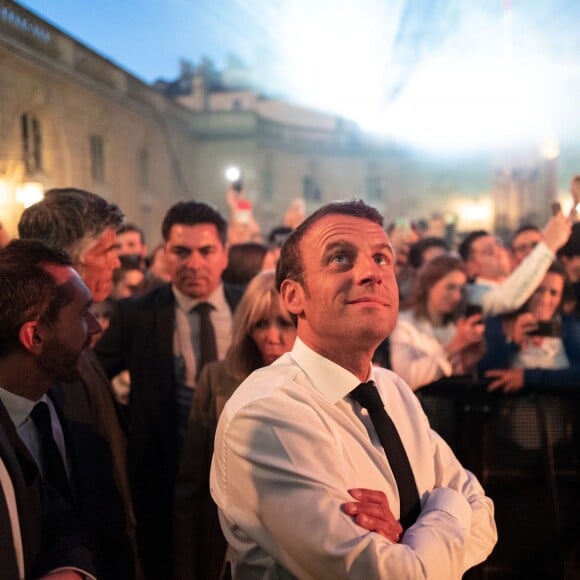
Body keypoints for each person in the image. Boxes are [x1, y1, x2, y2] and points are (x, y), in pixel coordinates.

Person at [210, 199, 497, 579]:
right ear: (293, 296)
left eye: (382, 259)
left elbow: (486, 518)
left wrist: (409, 533)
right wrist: (446, 508)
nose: (371, 273)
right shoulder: (266, 414)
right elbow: (391, 575)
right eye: (340, 259)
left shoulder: (392, 390)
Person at [95, 200, 244, 579]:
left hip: (245, 478)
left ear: (224, 255)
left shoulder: (250, 307)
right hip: (163, 483)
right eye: (181, 251)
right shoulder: (137, 314)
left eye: (206, 251)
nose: (194, 263)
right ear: (164, 255)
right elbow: (91, 376)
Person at [18, 187, 141, 580]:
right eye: (106, 251)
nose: (117, 262)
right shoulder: (42, 359)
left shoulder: (78, 339)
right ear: (68, 260)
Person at [174, 270, 297, 580]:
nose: (271, 337)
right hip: (230, 549)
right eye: (260, 324)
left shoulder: (320, 384)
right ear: (246, 328)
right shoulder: (217, 379)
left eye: (284, 323)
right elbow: (192, 483)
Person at [0, 239, 101, 579]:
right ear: (35, 337)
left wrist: (69, 567)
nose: (96, 327)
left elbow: (56, 516)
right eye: (82, 314)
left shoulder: (66, 392)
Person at [390, 255, 485, 391]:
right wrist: (453, 347)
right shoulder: (404, 323)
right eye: (450, 287)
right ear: (430, 285)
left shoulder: (456, 327)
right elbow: (405, 378)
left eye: (461, 289)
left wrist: (468, 363)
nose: (457, 296)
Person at [458, 212, 571, 316]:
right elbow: (507, 299)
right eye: (489, 252)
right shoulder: (475, 295)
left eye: (498, 245)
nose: (499, 253)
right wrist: (549, 245)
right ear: (471, 267)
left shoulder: (518, 286)